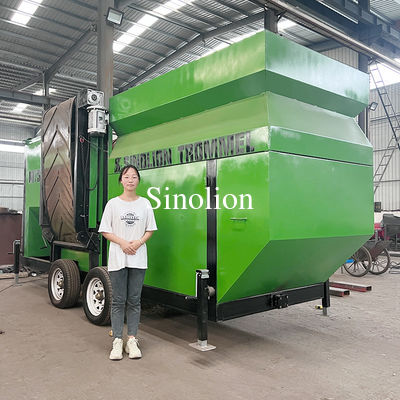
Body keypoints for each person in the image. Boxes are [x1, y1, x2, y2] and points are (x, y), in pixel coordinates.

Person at [99, 165, 157, 361]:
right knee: (118, 300)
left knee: (134, 300)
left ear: (138, 180)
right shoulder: (113, 204)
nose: (130, 180)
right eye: (126, 176)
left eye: (134, 177)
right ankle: (117, 340)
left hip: (138, 258)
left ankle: (132, 340)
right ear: (121, 180)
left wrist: (138, 242)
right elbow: (105, 230)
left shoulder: (145, 204)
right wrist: (123, 243)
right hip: (118, 257)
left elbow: (150, 229)